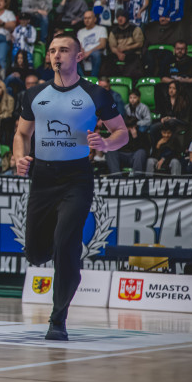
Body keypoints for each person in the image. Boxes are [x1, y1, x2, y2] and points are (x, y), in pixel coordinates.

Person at [13, 33, 127, 341]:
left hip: (76, 178)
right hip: (42, 177)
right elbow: (22, 134)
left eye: (64, 50)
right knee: (36, 253)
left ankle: (58, 319)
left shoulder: (96, 94)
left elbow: (122, 133)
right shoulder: (34, 94)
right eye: (52, 50)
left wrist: (105, 143)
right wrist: (19, 157)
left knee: (65, 245)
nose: (56, 55)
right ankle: (61, 250)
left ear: (78, 56)